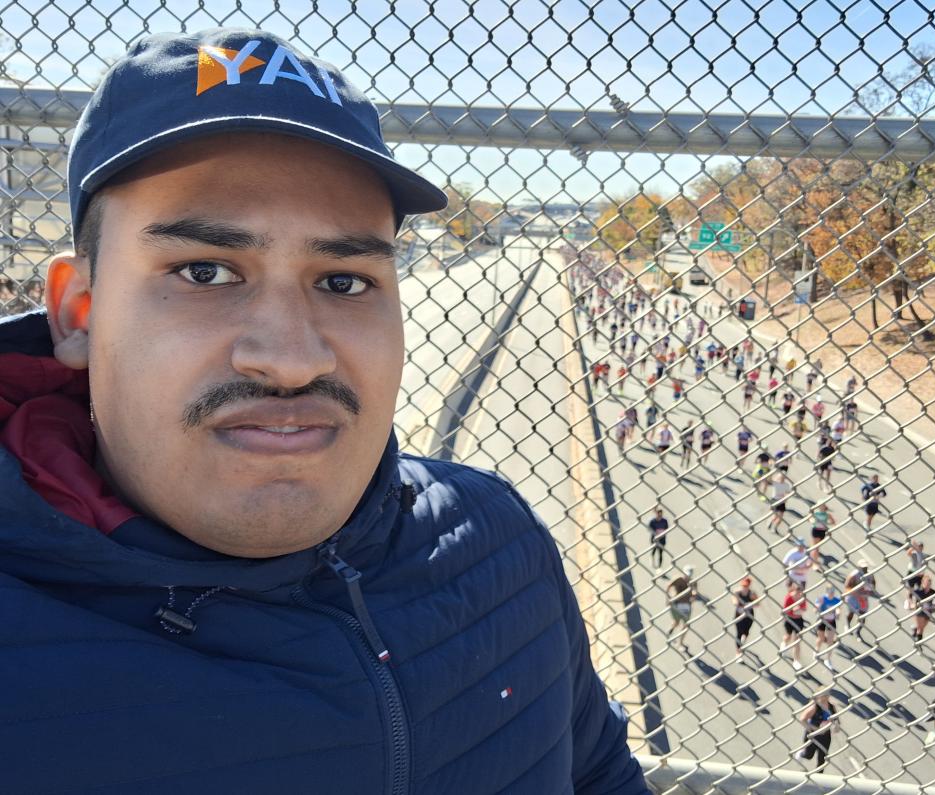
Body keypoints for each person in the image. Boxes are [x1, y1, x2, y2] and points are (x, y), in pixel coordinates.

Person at [0, 30, 646, 791]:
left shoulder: (499, 539)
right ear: (79, 311)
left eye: (342, 281)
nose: (292, 357)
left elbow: (600, 772)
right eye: (205, 271)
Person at [799, 690, 838, 771]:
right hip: (813, 735)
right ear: (818, 696)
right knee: (809, 755)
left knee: (822, 759)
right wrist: (815, 729)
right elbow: (802, 719)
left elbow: (836, 719)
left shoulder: (831, 706)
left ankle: (818, 776)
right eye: (823, 695)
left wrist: (836, 726)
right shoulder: (814, 707)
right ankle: (802, 754)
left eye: (827, 694)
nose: (825, 697)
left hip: (825, 736)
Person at [844, 558, 877, 640]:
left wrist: (870, 590)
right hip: (853, 597)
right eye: (862, 567)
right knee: (851, 613)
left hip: (863, 598)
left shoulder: (870, 575)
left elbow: (873, 585)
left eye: (865, 567)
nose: (864, 569)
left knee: (863, 616)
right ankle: (848, 624)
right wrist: (854, 591)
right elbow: (847, 586)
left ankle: (858, 632)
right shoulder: (854, 575)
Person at [666, 569, 698, 654]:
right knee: (676, 622)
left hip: (686, 605)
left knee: (686, 625)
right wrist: (668, 598)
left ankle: (680, 643)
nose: (687, 578)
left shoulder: (693, 582)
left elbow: (695, 592)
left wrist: (694, 595)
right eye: (686, 576)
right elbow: (668, 586)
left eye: (689, 576)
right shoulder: (678, 579)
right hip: (677, 604)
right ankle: (671, 629)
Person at [781, 580, 808, 671]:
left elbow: (804, 609)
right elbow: (785, 610)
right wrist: (793, 610)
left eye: (800, 590)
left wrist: (799, 611)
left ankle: (796, 660)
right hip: (789, 619)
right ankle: (784, 643)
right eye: (797, 589)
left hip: (798, 620)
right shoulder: (789, 597)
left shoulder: (802, 598)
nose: (799, 592)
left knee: (796, 641)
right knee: (788, 636)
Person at [815, 585, 841, 672]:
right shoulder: (821, 598)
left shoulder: (836, 600)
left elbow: (838, 609)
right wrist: (819, 606)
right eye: (830, 592)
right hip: (822, 620)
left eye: (832, 592)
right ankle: (817, 651)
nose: (831, 593)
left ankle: (828, 659)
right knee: (821, 638)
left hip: (831, 621)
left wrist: (838, 613)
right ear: (827, 592)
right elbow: (815, 610)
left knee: (830, 641)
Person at [910, 573, 935, 646]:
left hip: (928, 611)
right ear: (922, 583)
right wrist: (912, 603)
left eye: (929, 584)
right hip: (919, 611)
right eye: (926, 583)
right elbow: (910, 595)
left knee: (922, 627)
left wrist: (934, 605)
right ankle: (919, 644)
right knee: (921, 629)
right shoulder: (918, 591)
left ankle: (915, 629)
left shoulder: (932, 592)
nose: (928, 586)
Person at [733, 576, 758, 658]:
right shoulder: (737, 592)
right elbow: (734, 601)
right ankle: (738, 652)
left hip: (748, 615)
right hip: (739, 615)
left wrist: (749, 605)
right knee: (739, 633)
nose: (744, 588)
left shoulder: (752, 594)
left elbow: (757, 604)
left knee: (746, 632)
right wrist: (738, 603)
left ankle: (742, 643)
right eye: (743, 586)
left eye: (746, 586)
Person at [808, 503, 834, 570]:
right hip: (816, 530)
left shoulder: (827, 515)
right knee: (816, 548)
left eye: (822, 506)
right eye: (820, 506)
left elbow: (833, 522)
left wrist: (825, 523)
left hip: (822, 531)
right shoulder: (816, 513)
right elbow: (809, 519)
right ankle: (814, 563)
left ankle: (811, 559)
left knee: (815, 547)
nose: (821, 507)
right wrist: (813, 522)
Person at [904, 540, 928, 606]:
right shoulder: (914, 553)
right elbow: (908, 553)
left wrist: (923, 573)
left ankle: (917, 602)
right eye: (919, 546)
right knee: (910, 588)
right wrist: (913, 547)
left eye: (921, 546)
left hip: (920, 574)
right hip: (912, 572)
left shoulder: (924, 555)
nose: (920, 548)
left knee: (919, 588)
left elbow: (925, 566)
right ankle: (909, 601)